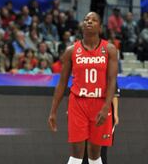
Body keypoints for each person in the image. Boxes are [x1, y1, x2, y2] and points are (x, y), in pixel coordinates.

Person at [48, 12, 118, 164]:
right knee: (76, 154)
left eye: (94, 20)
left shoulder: (110, 50)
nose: (89, 22)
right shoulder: (71, 51)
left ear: (100, 27)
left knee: (94, 154)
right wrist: (53, 110)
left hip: (100, 103)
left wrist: (107, 107)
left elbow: (112, 81)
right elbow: (62, 83)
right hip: (78, 103)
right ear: (82, 25)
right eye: (86, 19)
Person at [82, 86, 120, 164]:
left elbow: (114, 95)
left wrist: (115, 114)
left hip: (103, 116)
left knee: (101, 148)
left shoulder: (109, 76)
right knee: (84, 147)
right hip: (87, 114)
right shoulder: (85, 77)